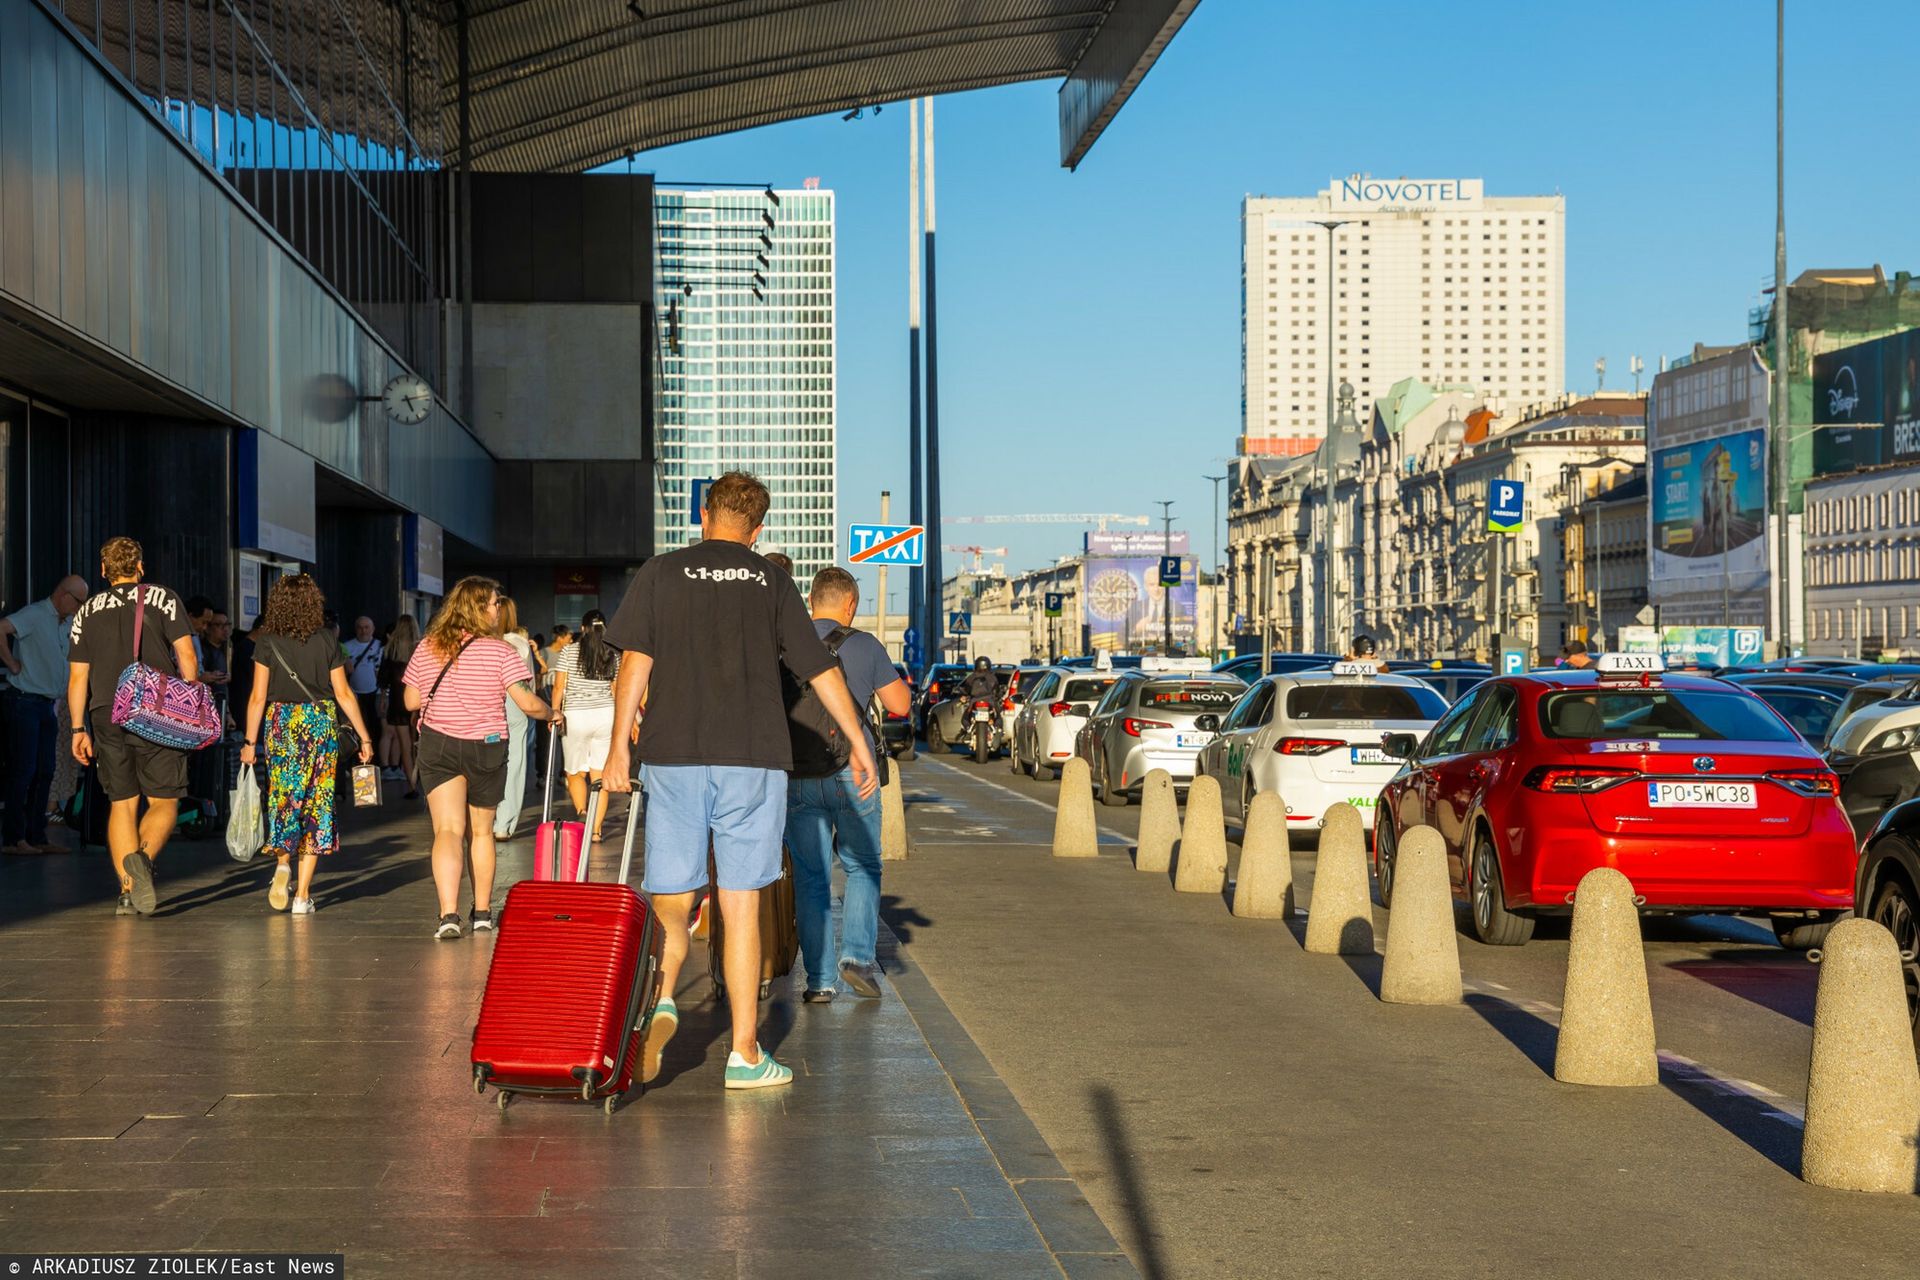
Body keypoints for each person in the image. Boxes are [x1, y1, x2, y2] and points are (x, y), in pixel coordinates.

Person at [604, 470, 877, 1092]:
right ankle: (746, 1054)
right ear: (758, 530)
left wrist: (621, 748)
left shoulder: (661, 572)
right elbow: (819, 670)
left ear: (705, 514)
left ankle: (664, 996)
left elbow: (633, 669)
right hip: (752, 759)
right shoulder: (772, 582)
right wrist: (857, 742)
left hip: (671, 754)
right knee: (741, 904)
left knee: (672, 901)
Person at [785, 567, 912, 1003]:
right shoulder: (863, 644)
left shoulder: (787, 644)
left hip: (798, 773)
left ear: (811, 601)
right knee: (861, 866)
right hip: (852, 773)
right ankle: (857, 958)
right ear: (851, 605)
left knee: (811, 876)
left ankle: (819, 980)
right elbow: (900, 706)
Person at [403, 577, 552, 940]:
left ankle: (448, 915)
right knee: (482, 832)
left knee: (448, 831)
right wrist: (551, 713)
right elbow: (527, 703)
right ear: (480, 608)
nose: (499, 608)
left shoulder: (429, 646)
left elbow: (410, 701)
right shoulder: (501, 651)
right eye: (495, 603)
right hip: (485, 746)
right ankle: (483, 913)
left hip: (439, 744)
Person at [66, 537, 199, 916]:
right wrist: (190, 704)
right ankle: (142, 859)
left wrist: (78, 729)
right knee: (165, 800)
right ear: (140, 567)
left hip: (106, 712)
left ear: (104, 570)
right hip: (156, 709)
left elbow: (78, 678)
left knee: (122, 804)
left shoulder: (87, 611)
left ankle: (127, 893)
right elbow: (186, 657)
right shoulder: (165, 599)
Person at [238, 575, 376, 915]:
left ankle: (283, 862)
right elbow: (344, 693)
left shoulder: (267, 641)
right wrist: (365, 735)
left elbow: (257, 697)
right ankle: (302, 896)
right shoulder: (328, 640)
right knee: (318, 802)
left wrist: (249, 742)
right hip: (320, 724)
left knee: (285, 798)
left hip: (282, 725)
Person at [1, 574, 89, 854]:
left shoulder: (67, 623)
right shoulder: (36, 614)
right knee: (23, 771)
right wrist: (12, 664)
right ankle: (15, 839)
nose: (79, 608)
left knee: (45, 771)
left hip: (48, 704)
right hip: (25, 701)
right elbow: (1, 628)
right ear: (63, 595)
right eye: (78, 601)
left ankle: (37, 836)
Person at [550, 609, 619, 843]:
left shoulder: (569, 651)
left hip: (576, 716)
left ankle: (583, 812)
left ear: (582, 628)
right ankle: (596, 830)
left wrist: (554, 712)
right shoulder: (612, 653)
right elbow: (615, 689)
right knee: (599, 774)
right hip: (605, 716)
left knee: (574, 772)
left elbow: (559, 686)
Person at [491, 598, 537, 840]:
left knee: (489, 763)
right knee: (515, 764)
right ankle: (504, 823)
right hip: (516, 706)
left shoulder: (483, 641)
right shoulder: (519, 643)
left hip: (488, 706)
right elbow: (529, 682)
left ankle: (486, 817)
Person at [378, 615, 421, 798]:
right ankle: (423, 778)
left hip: (398, 701)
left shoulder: (390, 650)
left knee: (405, 745)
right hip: (419, 699)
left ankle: (412, 785)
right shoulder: (419, 648)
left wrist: (383, 698)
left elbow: (383, 679)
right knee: (418, 743)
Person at [342, 616, 383, 744]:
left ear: (373, 629)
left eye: (366, 627)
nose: (363, 631)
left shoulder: (380, 646)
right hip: (354, 693)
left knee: (375, 725)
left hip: (376, 693)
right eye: (360, 627)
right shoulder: (347, 646)